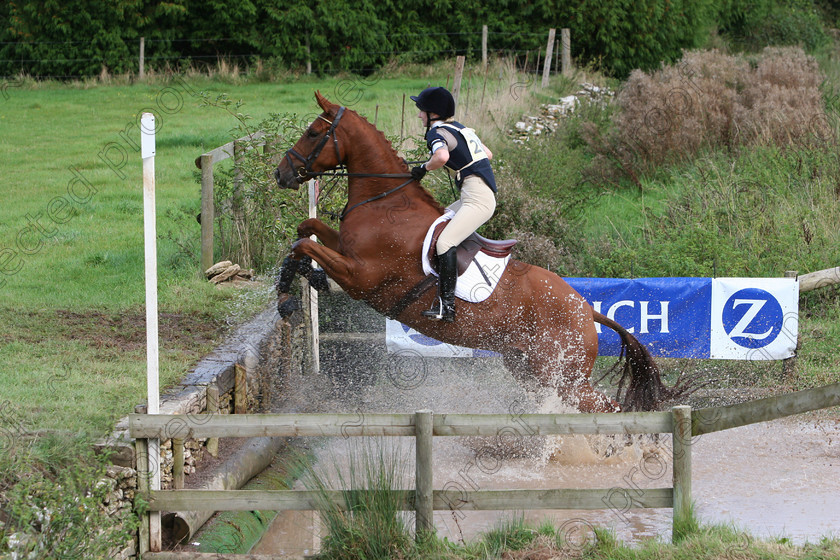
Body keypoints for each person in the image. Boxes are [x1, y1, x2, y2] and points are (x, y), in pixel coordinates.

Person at [409, 86, 498, 322]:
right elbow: (486, 154)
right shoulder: (461, 129)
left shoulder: (436, 133)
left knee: (445, 242)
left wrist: (423, 168)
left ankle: (446, 307)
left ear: (433, 114)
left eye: (422, 111)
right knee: (436, 223)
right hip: (475, 194)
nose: (419, 115)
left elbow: (441, 158)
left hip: (476, 198)